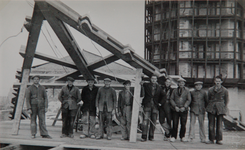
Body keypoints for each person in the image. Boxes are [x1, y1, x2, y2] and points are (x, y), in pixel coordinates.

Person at [141, 75, 166, 142]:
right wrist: (141, 79)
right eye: (152, 78)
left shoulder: (159, 87)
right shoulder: (146, 85)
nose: (153, 80)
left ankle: (151, 136)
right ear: (150, 79)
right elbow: (141, 83)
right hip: (147, 105)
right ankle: (144, 136)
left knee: (153, 122)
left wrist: (160, 103)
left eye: (155, 79)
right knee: (145, 121)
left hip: (155, 106)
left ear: (156, 80)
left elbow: (164, 96)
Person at [206, 75, 229, 145]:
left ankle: (219, 139)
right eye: (216, 81)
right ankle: (211, 139)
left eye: (219, 81)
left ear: (221, 82)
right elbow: (207, 99)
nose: (217, 82)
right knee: (211, 125)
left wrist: (224, 108)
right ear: (214, 81)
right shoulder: (210, 90)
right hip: (211, 108)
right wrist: (210, 106)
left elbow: (226, 100)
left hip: (220, 109)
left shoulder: (225, 90)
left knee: (219, 125)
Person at [170, 78, 191, 142]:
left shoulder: (187, 91)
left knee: (183, 123)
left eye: (182, 83)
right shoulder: (174, 90)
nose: (181, 84)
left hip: (183, 110)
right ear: (178, 83)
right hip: (176, 109)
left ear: (184, 84)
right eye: (179, 83)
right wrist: (175, 106)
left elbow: (189, 100)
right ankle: (173, 136)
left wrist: (184, 107)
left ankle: (182, 136)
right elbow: (171, 99)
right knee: (175, 123)